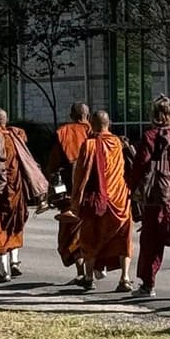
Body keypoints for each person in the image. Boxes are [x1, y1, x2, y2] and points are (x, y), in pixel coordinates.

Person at [129, 95, 170, 298]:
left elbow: (140, 167)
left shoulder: (149, 137)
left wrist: (132, 186)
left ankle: (148, 284)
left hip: (157, 198)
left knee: (151, 241)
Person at [71, 110, 134, 292]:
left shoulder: (89, 145)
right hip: (120, 199)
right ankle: (125, 278)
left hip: (97, 198)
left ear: (91, 123)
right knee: (123, 239)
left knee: (90, 237)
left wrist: (76, 200)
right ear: (109, 123)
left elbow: (80, 175)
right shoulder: (117, 142)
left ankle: (89, 277)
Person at [0, 108, 35, 283]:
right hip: (16, 190)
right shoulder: (16, 137)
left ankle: (3, 272)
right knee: (14, 225)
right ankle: (15, 261)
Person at [45, 102, 92, 286]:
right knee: (90, 230)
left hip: (71, 192)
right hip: (93, 191)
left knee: (70, 233)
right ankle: (90, 271)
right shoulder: (95, 132)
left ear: (72, 115)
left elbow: (53, 163)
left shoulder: (64, 133)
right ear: (87, 115)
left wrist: (50, 184)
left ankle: (82, 272)